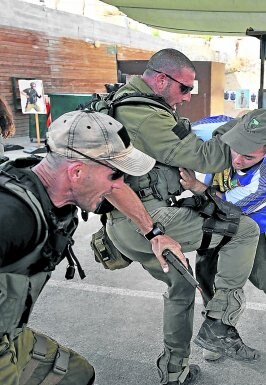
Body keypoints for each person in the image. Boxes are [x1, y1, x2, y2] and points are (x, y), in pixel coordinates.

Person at [103, 48, 262, 384]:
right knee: (244, 230)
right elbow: (204, 156)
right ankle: (219, 322)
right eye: (184, 89)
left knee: (180, 286)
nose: (188, 98)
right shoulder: (146, 115)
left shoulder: (125, 101)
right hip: (146, 220)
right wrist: (243, 133)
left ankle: (175, 371)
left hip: (127, 220)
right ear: (161, 79)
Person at [0, 110, 156, 385]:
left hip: (13, 332)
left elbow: (117, 194)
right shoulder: (12, 217)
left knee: (75, 374)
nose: (120, 186)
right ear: (77, 171)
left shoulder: (55, 189)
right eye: (116, 175)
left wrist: (154, 233)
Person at [179, 109, 266, 366]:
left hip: (261, 226)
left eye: (248, 156)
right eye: (235, 148)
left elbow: (227, 206)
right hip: (215, 220)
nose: (237, 159)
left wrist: (197, 187)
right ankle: (219, 331)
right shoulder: (221, 127)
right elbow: (178, 131)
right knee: (210, 280)